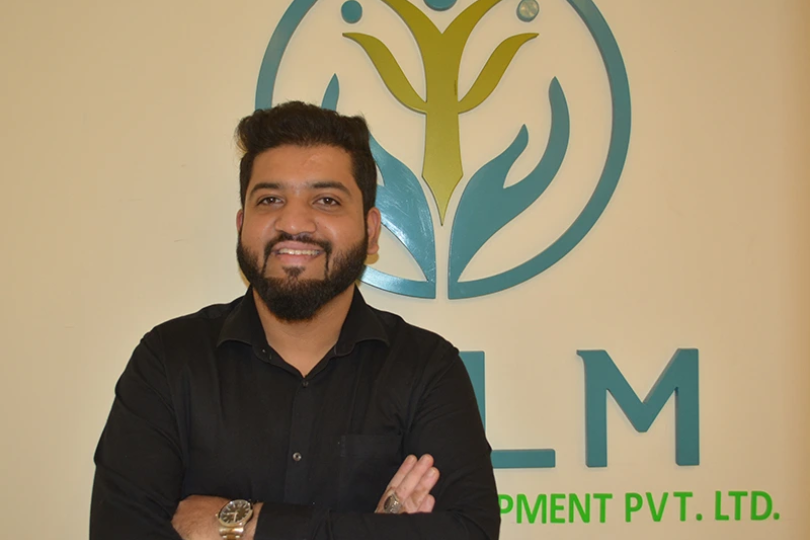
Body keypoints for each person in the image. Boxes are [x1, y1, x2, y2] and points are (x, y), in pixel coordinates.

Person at [90, 101, 499, 540]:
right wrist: (375, 531)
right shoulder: (169, 360)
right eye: (270, 200)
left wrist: (243, 522)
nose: (294, 222)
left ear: (371, 231)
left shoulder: (426, 367)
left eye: (326, 200)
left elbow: (471, 531)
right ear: (242, 224)